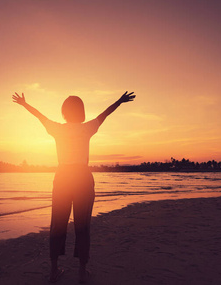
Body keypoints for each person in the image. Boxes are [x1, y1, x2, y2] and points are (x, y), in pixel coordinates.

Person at [12, 91, 135, 283]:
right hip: (82, 178)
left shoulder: (57, 129)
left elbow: (39, 115)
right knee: (83, 225)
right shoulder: (88, 128)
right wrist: (120, 100)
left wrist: (24, 104)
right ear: (82, 111)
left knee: (58, 224)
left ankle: (54, 270)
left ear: (64, 112)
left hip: (62, 177)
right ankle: (81, 271)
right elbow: (105, 114)